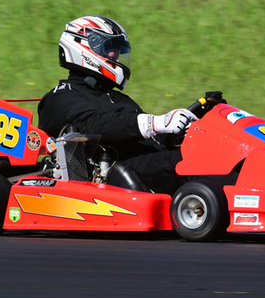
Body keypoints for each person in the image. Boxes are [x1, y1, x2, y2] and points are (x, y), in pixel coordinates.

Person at [37, 15, 197, 194]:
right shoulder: (60, 97)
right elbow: (94, 125)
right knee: (195, 164)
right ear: (85, 47)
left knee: (213, 156)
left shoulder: (114, 97)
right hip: (117, 174)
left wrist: (179, 131)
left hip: (146, 163)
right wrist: (152, 123)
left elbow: (149, 139)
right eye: (111, 49)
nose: (118, 56)